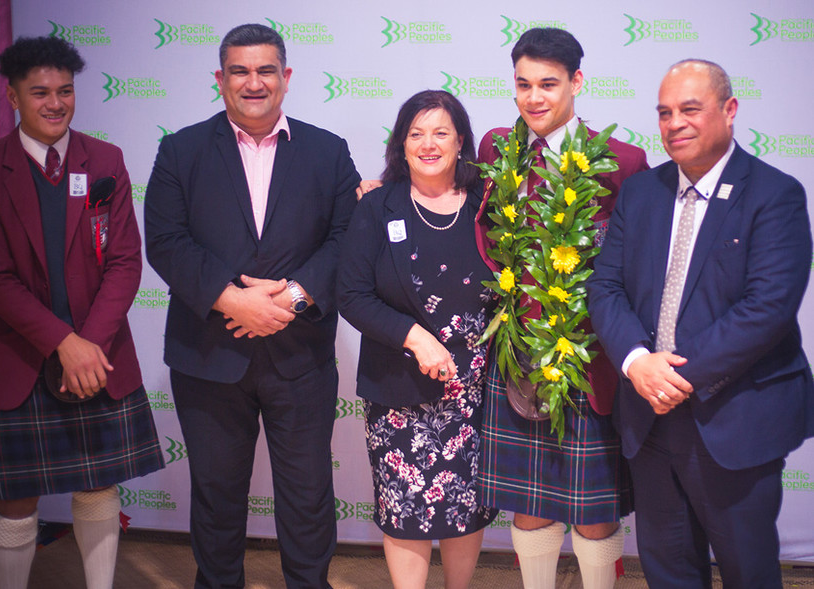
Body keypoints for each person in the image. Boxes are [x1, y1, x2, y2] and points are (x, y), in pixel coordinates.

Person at [144, 23, 359, 589]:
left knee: (309, 496)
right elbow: (165, 240)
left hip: (301, 355)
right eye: (240, 70)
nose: (253, 82)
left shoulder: (328, 151)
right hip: (207, 354)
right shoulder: (180, 150)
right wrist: (231, 299)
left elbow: (347, 239)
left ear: (285, 78)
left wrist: (290, 296)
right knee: (216, 496)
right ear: (220, 79)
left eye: (266, 70)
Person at [588, 59, 814, 588]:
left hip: (734, 418)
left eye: (691, 109)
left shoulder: (775, 195)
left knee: (748, 572)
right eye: (665, 113)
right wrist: (638, 363)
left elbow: (768, 308)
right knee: (668, 572)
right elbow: (605, 288)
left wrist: (674, 376)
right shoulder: (642, 193)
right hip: (649, 417)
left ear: (729, 111)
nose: (675, 123)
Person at [0, 36, 164, 589]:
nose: (55, 103)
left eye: (65, 91)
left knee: (99, 485)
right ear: (12, 96)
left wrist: (89, 346)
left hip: (98, 356)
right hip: (20, 358)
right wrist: (64, 343)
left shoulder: (105, 160)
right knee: (16, 501)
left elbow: (126, 262)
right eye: (40, 93)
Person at [474, 28, 648, 589]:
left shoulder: (621, 161)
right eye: (523, 84)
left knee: (596, 512)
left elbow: (640, 267)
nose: (534, 98)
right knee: (529, 503)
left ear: (576, 81)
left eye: (548, 84)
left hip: (588, 357)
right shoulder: (498, 150)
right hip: (517, 356)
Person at [338, 90, 497, 589]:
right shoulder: (375, 206)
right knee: (404, 508)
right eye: (416, 133)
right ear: (401, 144)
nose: (428, 144)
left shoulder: (488, 204)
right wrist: (414, 338)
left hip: (475, 389)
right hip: (399, 387)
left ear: (461, 141)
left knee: (465, 506)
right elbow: (352, 294)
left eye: (440, 133)